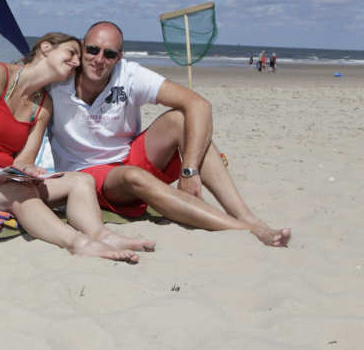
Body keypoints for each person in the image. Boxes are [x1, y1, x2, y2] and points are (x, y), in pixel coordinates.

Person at [46, 21, 290, 247]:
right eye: (92, 50)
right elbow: (19, 81)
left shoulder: (128, 75)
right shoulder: (59, 77)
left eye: (109, 54)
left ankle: (249, 218)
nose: (99, 59)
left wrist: (190, 169)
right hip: (86, 175)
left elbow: (199, 105)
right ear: (81, 48)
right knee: (133, 175)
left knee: (181, 120)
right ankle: (243, 229)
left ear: (119, 57)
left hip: (128, 157)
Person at [0, 32, 154, 262]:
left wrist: (28, 171)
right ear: (46, 48)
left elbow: (23, 160)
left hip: (2, 179)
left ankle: (101, 234)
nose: (77, 62)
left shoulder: (44, 104)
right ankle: (77, 243)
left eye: (79, 57)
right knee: (20, 193)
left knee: (81, 180)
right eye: (71, 53)